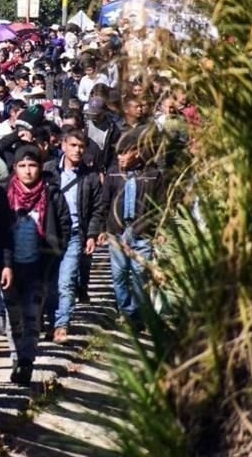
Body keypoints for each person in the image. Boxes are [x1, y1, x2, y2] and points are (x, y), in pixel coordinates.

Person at [3, 146, 70, 384]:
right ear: (15, 168)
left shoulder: (51, 194)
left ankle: (26, 361)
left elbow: (64, 226)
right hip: (10, 268)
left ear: (40, 167)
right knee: (13, 318)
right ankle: (16, 356)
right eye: (22, 166)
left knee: (32, 317)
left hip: (39, 267)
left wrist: (54, 254)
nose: (27, 171)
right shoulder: (5, 194)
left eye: (32, 165)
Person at [43, 128, 106, 343]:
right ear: (63, 146)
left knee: (67, 281)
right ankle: (51, 321)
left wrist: (92, 234)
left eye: (81, 147)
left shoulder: (90, 177)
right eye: (73, 145)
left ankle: (62, 325)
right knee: (49, 283)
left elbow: (98, 207)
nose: (77, 150)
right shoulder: (49, 170)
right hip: (50, 233)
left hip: (75, 233)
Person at [103, 127, 165, 329]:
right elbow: (105, 202)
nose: (120, 157)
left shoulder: (153, 175)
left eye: (124, 153)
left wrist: (159, 230)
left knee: (140, 275)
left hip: (142, 232)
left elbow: (160, 205)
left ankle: (138, 313)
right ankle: (128, 311)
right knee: (119, 274)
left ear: (136, 152)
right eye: (118, 153)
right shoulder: (113, 173)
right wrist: (103, 229)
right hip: (118, 232)